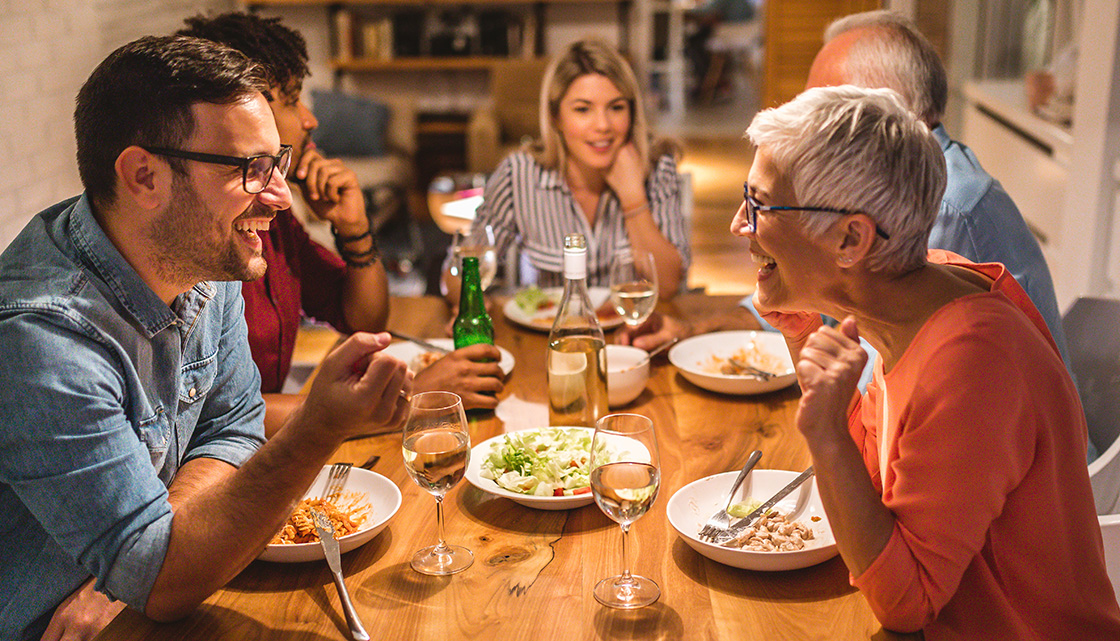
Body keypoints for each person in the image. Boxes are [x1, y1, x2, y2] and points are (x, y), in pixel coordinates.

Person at [0, 35, 410, 641]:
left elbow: (231, 427)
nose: (280, 197)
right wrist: (319, 428)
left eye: (276, 162)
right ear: (144, 175)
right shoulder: (33, 344)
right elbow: (166, 584)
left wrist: (143, 559)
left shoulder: (205, 257)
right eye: (250, 170)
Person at [737, 84, 1120, 639]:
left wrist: (824, 433)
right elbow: (876, 479)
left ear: (851, 238)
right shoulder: (924, 293)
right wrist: (804, 343)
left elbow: (907, 600)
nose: (739, 226)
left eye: (759, 205)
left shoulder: (972, 362)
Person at [621, 10, 1070, 366]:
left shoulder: (942, 206)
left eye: (825, 106)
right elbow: (828, 288)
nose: (805, 121)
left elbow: (877, 373)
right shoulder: (902, 185)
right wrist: (704, 329)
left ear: (883, 117)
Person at [178, 13, 504, 414]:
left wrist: (354, 228)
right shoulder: (195, 239)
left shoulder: (272, 219)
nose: (309, 120)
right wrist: (407, 395)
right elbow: (221, 419)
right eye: (294, 99)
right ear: (245, 108)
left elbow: (364, 320)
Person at [466, 38, 691, 300]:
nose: (603, 125)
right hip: (549, 332)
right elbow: (463, 271)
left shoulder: (657, 169)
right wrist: (469, 302)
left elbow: (667, 287)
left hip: (631, 333)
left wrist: (633, 198)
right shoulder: (517, 174)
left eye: (616, 107)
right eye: (583, 109)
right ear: (555, 117)